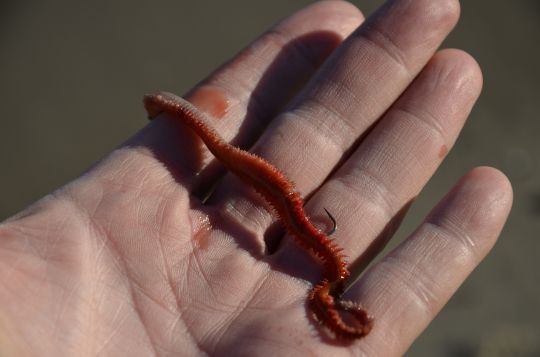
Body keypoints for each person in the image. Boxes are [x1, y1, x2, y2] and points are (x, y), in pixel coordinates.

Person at [0, 0, 512, 355]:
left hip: (304, 235)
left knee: (251, 171)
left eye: (162, 109)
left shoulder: (322, 265)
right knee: (242, 163)